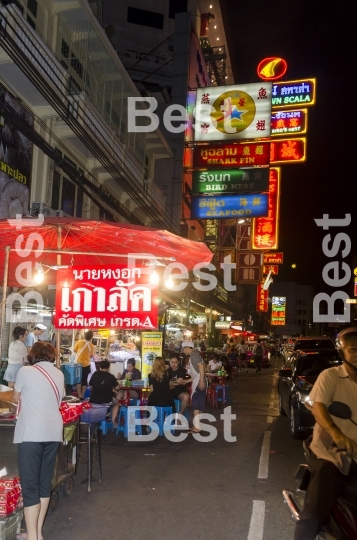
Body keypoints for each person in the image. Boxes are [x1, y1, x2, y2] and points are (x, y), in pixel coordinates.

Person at [294, 327, 357, 540]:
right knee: (313, 516)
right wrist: (337, 434)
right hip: (331, 455)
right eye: (353, 349)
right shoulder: (330, 376)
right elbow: (319, 407)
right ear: (343, 353)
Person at [13, 341, 64, 540]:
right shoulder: (59, 374)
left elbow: (16, 398)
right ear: (51, 356)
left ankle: (32, 537)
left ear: (33, 355)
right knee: (44, 483)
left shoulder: (26, 372)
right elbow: (57, 401)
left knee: (30, 485)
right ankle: (37, 533)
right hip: (53, 432)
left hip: (32, 433)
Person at [182, 341, 207, 434]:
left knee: (196, 404)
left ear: (189, 348)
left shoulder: (194, 356)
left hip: (199, 383)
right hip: (198, 381)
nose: (184, 350)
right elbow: (196, 373)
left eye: (185, 348)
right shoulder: (194, 355)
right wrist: (187, 381)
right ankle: (197, 425)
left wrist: (201, 381)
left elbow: (201, 367)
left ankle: (197, 427)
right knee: (198, 405)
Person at [89, 359, 119, 426]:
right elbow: (117, 387)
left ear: (100, 367)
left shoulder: (95, 374)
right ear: (108, 368)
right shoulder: (111, 376)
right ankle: (113, 422)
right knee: (116, 403)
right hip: (106, 400)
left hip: (94, 400)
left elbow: (90, 385)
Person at [74, 330, 96, 399]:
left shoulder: (79, 342)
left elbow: (74, 350)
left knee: (78, 380)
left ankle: (79, 394)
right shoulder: (92, 346)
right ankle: (82, 395)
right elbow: (91, 356)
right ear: (91, 337)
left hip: (78, 364)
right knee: (84, 380)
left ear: (85, 335)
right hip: (86, 364)